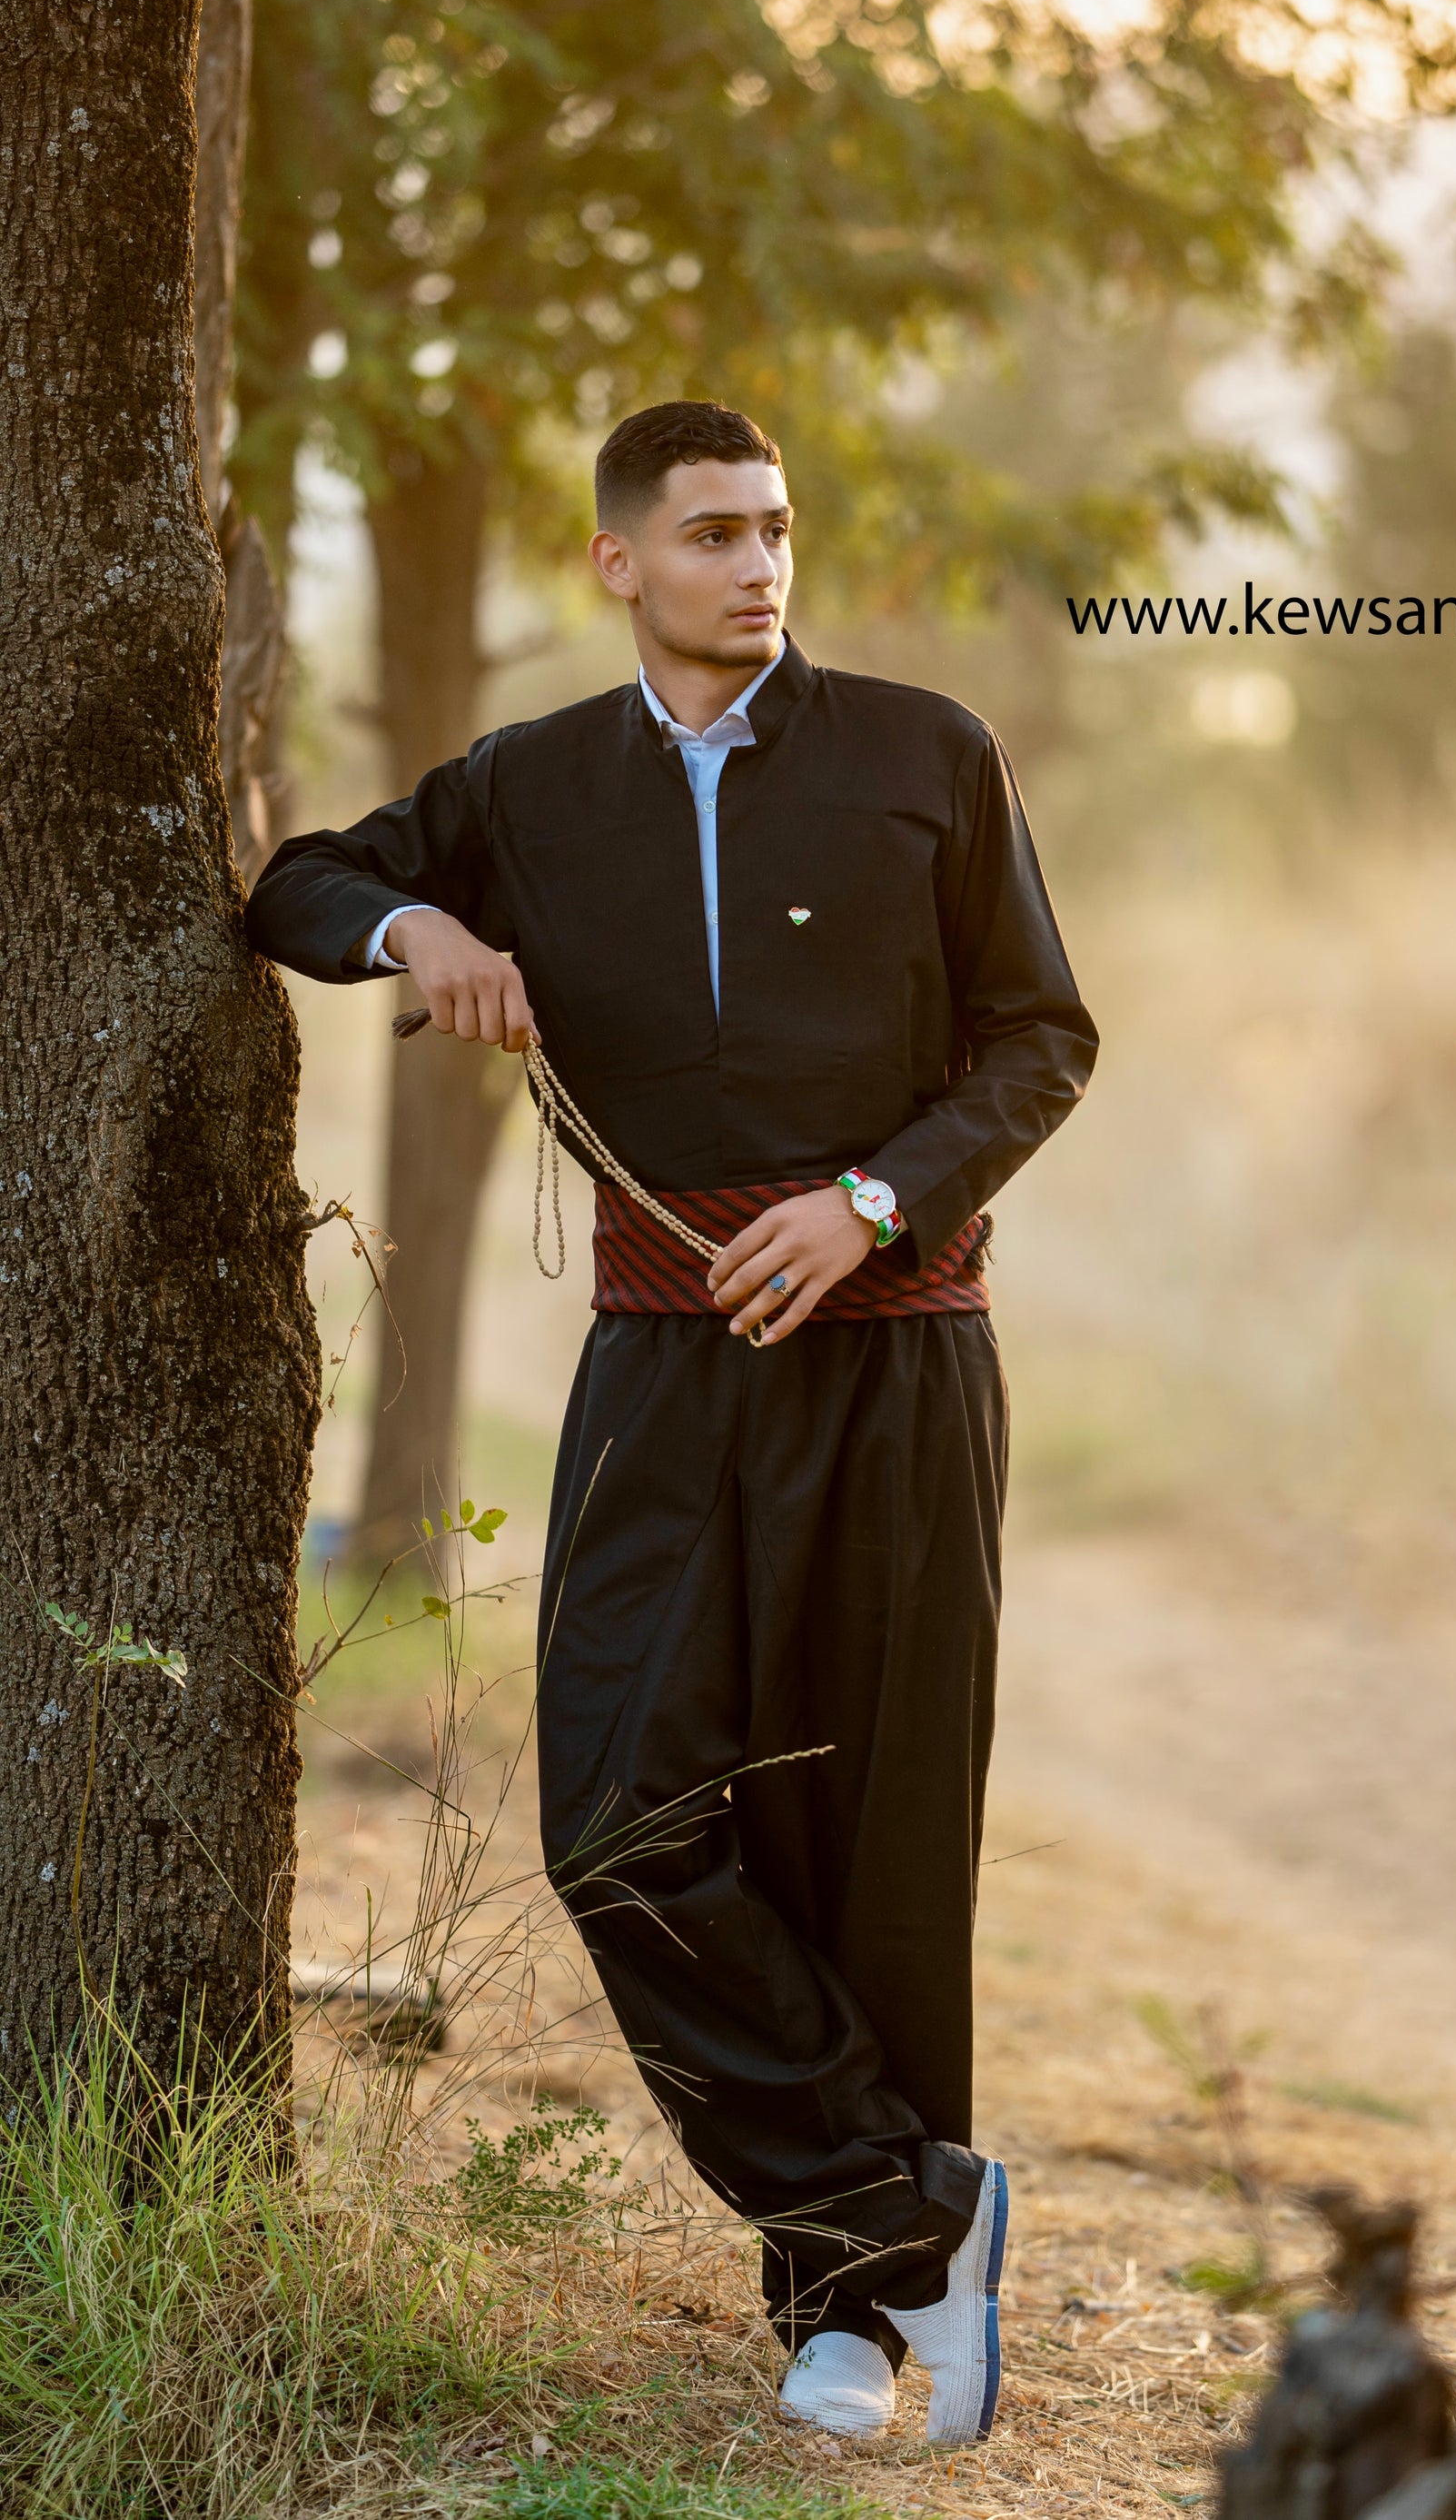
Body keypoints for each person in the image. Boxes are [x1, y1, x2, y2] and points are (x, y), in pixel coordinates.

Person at [246, 400, 1096, 2446]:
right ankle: (914, 2215)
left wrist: (875, 1194)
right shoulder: (531, 789)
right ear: (620, 560)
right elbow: (299, 877)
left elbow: (1040, 1035)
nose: (755, 563)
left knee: (871, 1831)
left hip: (897, 1347)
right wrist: (422, 928)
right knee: (621, 1814)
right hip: (658, 1359)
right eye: (710, 533)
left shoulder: (925, 755)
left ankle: (851, 2317)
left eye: (774, 528)